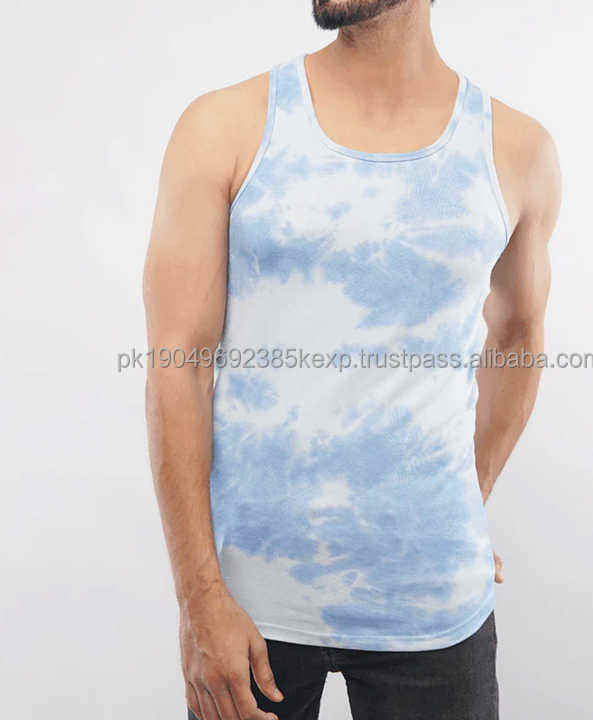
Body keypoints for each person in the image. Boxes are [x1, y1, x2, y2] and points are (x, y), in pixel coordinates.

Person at [143, 1, 561, 718]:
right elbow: (177, 365)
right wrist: (199, 597)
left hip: (434, 597)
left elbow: (519, 338)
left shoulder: (516, 149)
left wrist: (469, 498)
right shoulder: (226, 126)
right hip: (249, 602)